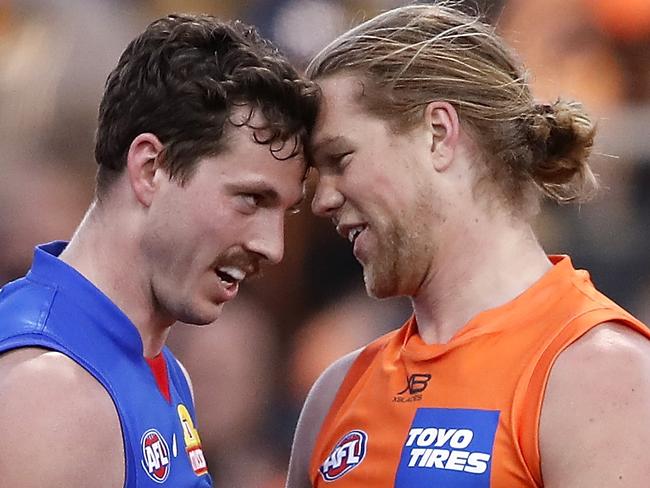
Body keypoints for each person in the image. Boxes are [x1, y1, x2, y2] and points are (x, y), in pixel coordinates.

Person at [287, 4, 650, 488]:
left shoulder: (599, 376)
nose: (323, 199)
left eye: (340, 158)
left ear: (438, 134)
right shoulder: (336, 392)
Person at [0, 13, 317, 487]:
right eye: (251, 199)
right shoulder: (50, 393)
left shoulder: (161, 368)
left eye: (285, 212)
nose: (272, 247)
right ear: (151, 169)